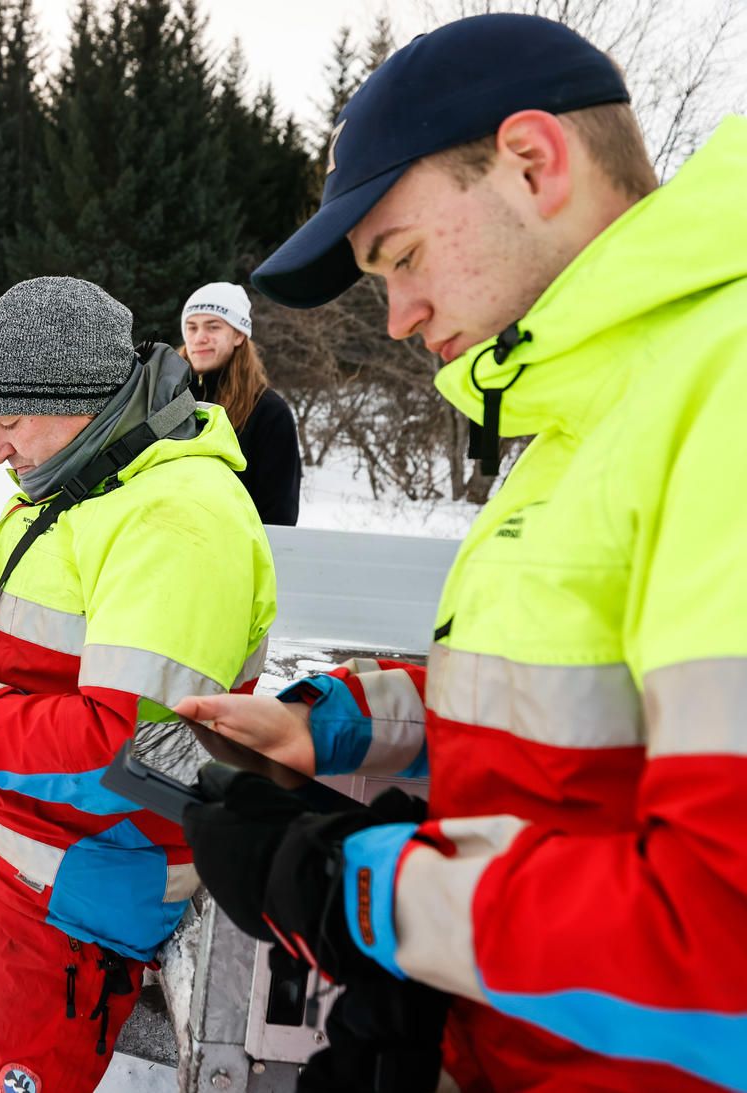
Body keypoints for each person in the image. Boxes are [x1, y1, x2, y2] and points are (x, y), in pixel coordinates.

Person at [178, 14, 747, 1093]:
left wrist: (366, 898)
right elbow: (571, 701)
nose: (396, 318)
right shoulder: (589, 408)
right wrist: (335, 725)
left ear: (532, 162)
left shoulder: (723, 388)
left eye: (399, 258)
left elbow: (722, 935)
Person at [0, 276, 276, 1093]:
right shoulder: (83, 479)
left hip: (82, 874)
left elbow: (116, 745)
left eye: (9, 423)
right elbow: (63, 638)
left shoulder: (179, 521)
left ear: (84, 397)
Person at [177, 282, 300, 524]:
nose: (200, 338)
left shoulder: (268, 412)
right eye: (191, 327)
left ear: (239, 335)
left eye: (213, 327)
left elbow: (278, 514)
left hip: (232, 554)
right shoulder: (161, 400)